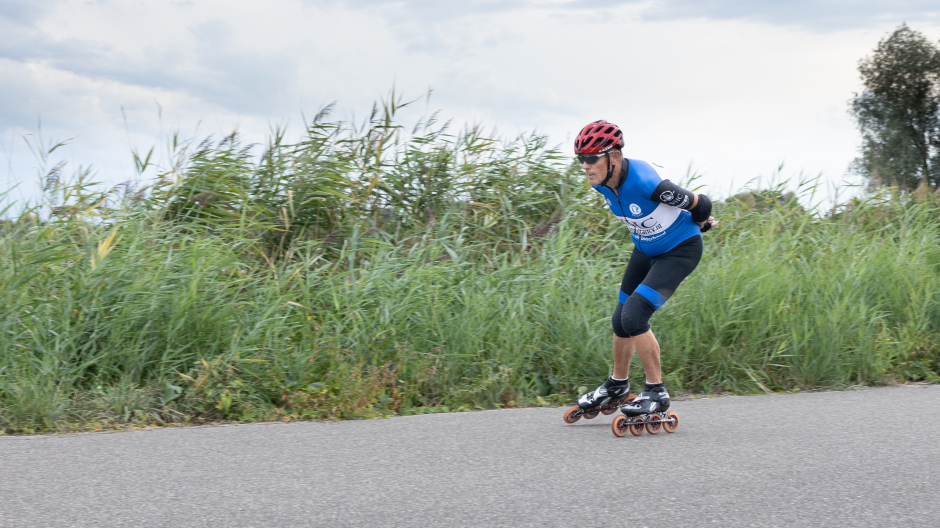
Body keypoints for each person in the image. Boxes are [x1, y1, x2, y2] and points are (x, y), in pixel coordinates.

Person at [573, 119, 715, 418]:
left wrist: (702, 224)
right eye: (580, 159)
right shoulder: (602, 184)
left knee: (635, 315)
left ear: (614, 157)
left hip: (679, 251)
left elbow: (702, 204)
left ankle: (656, 391)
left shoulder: (647, 183)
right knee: (620, 320)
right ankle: (617, 385)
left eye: (590, 159)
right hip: (645, 250)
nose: (585, 166)